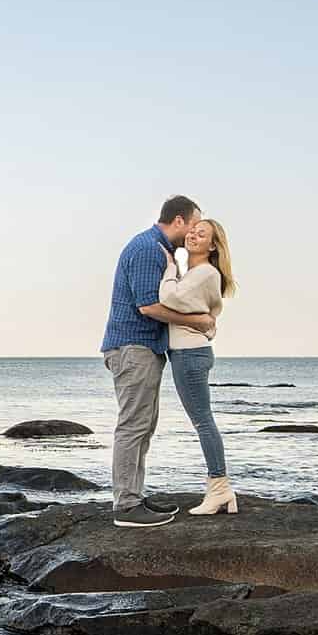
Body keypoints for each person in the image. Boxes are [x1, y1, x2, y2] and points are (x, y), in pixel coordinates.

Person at [99, 196, 217, 527]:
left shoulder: (158, 249)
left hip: (142, 348)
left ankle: (132, 496)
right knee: (134, 424)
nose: (194, 231)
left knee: (143, 425)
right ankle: (125, 506)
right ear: (177, 220)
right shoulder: (148, 248)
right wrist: (199, 321)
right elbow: (147, 307)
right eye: (193, 224)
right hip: (132, 347)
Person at [162, 217, 238, 515]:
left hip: (189, 355)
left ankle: (219, 489)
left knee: (203, 422)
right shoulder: (195, 272)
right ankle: (221, 491)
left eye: (201, 233)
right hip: (190, 353)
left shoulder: (205, 272)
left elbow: (168, 297)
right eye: (193, 230)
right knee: (203, 420)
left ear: (213, 245)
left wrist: (169, 265)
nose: (193, 234)